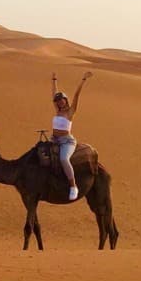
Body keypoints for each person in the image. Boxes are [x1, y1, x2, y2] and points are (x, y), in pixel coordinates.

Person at [51, 71, 93, 201]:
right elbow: (53, 93)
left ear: (65, 100)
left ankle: (73, 186)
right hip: (54, 140)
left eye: (61, 99)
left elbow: (76, 95)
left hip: (66, 142)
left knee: (64, 159)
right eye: (57, 101)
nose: (59, 102)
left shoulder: (70, 111)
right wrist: (54, 79)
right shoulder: (57, 111)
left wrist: (83, 79)